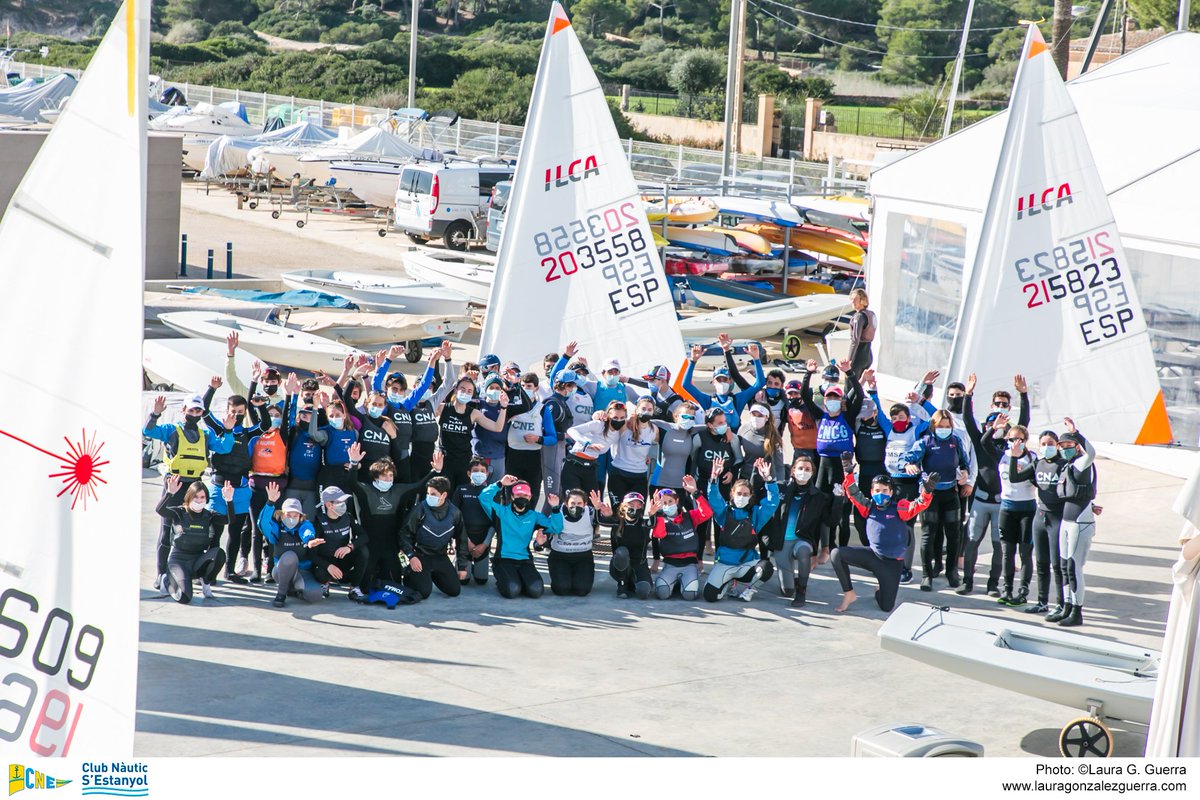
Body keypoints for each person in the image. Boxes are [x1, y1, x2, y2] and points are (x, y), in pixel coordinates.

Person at [143, 394, 234, 594]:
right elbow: (148, 431)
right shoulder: (171, 430)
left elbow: (225, 447)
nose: (194, 414)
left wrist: (228, 430)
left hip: (194, 486)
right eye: (191, 410)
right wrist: (155, 414)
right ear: (183, 410)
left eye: (198, 410)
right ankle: (161, 574)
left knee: (195, 529)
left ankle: (195, 570)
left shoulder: (205, 434)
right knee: (167, 528)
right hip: (175, 484)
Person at [835, 455, 935, 613]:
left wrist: (927, 491)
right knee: (836, 554)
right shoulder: (868, 506)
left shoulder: (899, 507)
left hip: (892, 564)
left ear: (891, 492)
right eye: (877, 490)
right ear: (871, 492)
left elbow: (918, 504)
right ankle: (849, 593)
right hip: (873, 556)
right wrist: (848, 472)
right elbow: (853, 493)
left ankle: (879, 589)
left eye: (884, 490)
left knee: (886, 607)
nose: (880, 493)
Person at [959, 372, 1030, 597]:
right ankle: (967, 581)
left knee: (999, 545)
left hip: (1002, 503)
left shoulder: (1009, 447)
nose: (996, 424)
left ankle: (993, 585)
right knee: (972, 541)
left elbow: (1023, 424)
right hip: (980, 499)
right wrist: (968, 394)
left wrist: (1023, 395)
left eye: (1000, 421)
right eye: (992, 421)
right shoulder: (982, 441)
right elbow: (968, 419)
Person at [348, 444, 443, 592]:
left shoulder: (397, 490)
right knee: (365, 587)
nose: (388, 479)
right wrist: (354, 464)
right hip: (370, 546)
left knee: (395, 585)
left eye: (391, 475)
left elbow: (419, 486)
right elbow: (351, 483)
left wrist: (435, 471)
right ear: (375, 476)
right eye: (384, 475)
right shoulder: (366, 490)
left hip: (390, 547)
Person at [867, 373, 929, 585]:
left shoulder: (916, 429)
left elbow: (931, 419)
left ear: (908, 418)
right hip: (892, 483)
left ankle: (906, 569)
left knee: (907, 528)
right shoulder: (889, 428)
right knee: (890, 524)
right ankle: (887, 562)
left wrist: (920, 394)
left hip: (909, 484)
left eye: (901, 417)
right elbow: (879, 412)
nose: (897, 421)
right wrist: (873, 390)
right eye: (894, 418)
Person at [903, 409, 970, 591]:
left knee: (954, 535)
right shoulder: (925, 442)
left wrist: (965, 473)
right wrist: (908, 464)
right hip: (929, 495)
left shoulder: (955, 441)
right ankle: (927, 575)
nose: (944, 429)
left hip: (950, 492)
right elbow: (907, 458)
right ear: (933, 426)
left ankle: (951, 571)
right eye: (941, 426)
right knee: (928, 534)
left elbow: (964, 462)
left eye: (947, 426)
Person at [801, 358, 862, 555]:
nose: (833, 400)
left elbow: (859, 395)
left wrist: (849, 373)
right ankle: (821, 547)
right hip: (823, 466)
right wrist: (808, 373)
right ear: (825, 400)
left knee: (840, 508)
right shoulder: (821, 415)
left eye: (836, 397)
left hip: (842, 467)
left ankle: (839, 549)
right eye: (829, 397)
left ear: (841, 400)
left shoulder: (848, 417)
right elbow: (805, 396)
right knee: (819, 505)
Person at [703, 456, 779, 602]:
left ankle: (749, 590)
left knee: (766, 567)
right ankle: (728, 583)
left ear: (750, 496)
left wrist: (769, 480)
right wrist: (713, 478)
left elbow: (772, 503)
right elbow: (714, 498)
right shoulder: (724, 513)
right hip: (724, 564)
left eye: (745, 494)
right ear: (732, 494)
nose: (742, 497)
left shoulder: (755, 515)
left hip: (746, 565)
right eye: (739, 494)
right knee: (710, 596)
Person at [200, 380, 254, 583]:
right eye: (233, 411)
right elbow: (204, 411)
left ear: (245, 413)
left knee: (236, 531)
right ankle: (209, 571)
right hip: (218, 487)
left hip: (240, 490)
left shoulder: (248, 432)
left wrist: (256, 398)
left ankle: (230, 571)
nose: (236, 415)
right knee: (214, 532)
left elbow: (265, 425)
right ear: (227, 411)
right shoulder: (218, 427)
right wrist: (211, 389)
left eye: (241, 412)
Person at [479, 477, 562, 599]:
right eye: (518, 494)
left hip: (524, 560)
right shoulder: (501, 512)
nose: (522, 497)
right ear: (512, 496)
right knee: (512, 590)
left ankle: (518, 580)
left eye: (525, 495)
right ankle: (508, 580)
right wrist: (500, 484)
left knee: (536, 590)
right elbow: (483, 498)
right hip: (503, 559)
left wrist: (555, 509)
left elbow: (556, 528)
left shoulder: (534, 516)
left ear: (530, 497)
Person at [1053, 418, 1099, 627]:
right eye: (1062, 446)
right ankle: (1066, 606)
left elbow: (1092, 453)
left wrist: (1076, 432)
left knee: (1074, 567)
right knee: (1064, 566)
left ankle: (1076, 611)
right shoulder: (1067, 466)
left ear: (1077, 446)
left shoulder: (1083, 462)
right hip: (1066, 521)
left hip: (1080, 523)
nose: (1065, 449)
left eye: (1069, 445)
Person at [155, 476, 228, 604]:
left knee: (219, 553)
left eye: (202, 497)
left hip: (197, 562)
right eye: (195, 497)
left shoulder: (209, 515)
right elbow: (160, 510)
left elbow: (229, 519)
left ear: (206, 499)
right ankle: (166, 579)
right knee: (185, 597)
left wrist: (229, 500)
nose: (199, 500)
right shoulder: (179, 512)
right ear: (189, 497)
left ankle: (205, 581)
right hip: (179, 561)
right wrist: (170, 493)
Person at [256, 484, 326, 608]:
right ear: (282, 515)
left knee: (315, 595)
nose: (292, 518)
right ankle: (281, 593)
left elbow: (307, 531)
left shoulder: (305, 524)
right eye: (288, 515)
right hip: (280, 571)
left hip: (302, 571)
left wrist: (310, 540)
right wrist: (270, 502)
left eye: (295, 515)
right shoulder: (277, 528)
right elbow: (262, 524)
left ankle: (293, 590)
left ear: (300, 516)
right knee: (290, 556)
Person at [771, 455, 828, 605]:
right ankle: (794, 582)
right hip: (782, 541)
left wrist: (839, 500)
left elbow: (829, 522)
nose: (803, 472)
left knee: (803, 552)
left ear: (812, 473)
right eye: (800, 468)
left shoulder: (818, 496)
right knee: (787, 591)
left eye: (807, 469)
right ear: (793, 471)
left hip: (802, 540)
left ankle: (802, 591)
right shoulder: (781, 488)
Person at [439, 376, 509, 490]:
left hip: (464, 462)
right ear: (455, 390)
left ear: (472, 395)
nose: (465, 393)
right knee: (444, 494)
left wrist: (503, 407)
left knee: (461, 494)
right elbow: (425, 406)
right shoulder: (442, 408)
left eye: (469, 391)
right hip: (444, 461)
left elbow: (497, 427)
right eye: (462, 389)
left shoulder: (474, 413)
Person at [400, 476, 465, 599]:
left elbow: (462, 540)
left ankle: (431, 575)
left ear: (444, 495)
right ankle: (410, 574)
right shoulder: (419, 509)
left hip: (440, 555)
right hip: (421, 556)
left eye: (433, 494)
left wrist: (462, 566)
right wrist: (411, 556)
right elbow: (404, 534)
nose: (429, 496)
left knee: (454, 590)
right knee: (424, 592)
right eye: (428, 493)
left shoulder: (455, 513)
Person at [682, 342, 764, 433]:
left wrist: (756, 359)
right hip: (712, 440)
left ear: (730, 381)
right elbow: (686, 385)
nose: (722, 382)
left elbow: (760, 383)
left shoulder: (738, 399)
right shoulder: (707, 400)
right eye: (718, 380)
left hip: (733, 440)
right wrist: (693, 361)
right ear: (713, 382)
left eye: (725, 379)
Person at [997, 424, 1038, 607]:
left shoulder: (1032, 458)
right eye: (1012, 439)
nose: (1015, 442)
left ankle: (1023, 591)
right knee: (1007, 552)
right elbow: (982, 442)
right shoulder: (1003, 456)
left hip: (1027, 509)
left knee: (1025, 552)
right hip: (1007, 508)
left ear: (1025, 440)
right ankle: (1006, 589)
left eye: (1019, 439)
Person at [650, 483, 712, 600]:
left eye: (670, 501)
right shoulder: (660, 519)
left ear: (677, 501)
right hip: (670, 565)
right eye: (664, 503)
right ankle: (675, 582)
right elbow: (659, 534)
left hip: (689, 565)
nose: (667, 505)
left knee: (690, 595)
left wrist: (695, 493)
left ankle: (684, 581)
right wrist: (658, 513)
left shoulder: (689, 516)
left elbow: (707, 513)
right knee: (662, 594)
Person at [506, 371, 558, 506]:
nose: (525, 389)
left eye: (529, 386)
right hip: (513, 455)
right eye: (523, 386)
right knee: (509, 494)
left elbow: (552, 438)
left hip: (532, 457)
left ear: (536, 388)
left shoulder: (542, 409)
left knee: (531, 494)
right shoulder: (513, 406)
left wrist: (538, 439)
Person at [309, 486, 369, 599]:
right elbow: (311, 554)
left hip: (342, 560)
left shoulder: (348, 517)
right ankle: (325, 584)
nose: (343, 504)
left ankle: (354, 588)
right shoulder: (319, 521)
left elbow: (364, 536)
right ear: (328, 505)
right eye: (339, 502)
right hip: (325, 563)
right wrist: (328, 566)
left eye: (344, 501)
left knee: (363, 551)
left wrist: (350, 547)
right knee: (320, 573)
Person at [603, 488, 660, 599]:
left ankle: (632, 582)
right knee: (622, 552)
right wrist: (601, 511)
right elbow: (600, 521)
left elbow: (652, 524)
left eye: (638, 505)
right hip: (619, 565)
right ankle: (622, 584)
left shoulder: (643, 523)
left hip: (639, 565)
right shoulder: (617, 522)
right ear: (624, 505)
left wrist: (653, 514)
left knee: (643, 592)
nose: (634, 507)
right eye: (631, 504)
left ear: (642, 507)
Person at [539, 489, 598, 597]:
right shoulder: (558, 511)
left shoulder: (590, 512)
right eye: (572, 503)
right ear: (566, 503)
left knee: (582, 590)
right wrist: (540, 542)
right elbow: (546, 529)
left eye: (579, 503)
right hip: (560, 556)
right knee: (561, 589)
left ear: (585, 504)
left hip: (583, 557)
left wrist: (599, 509)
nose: (576, 506)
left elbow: (606, 521)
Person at [562, 400, 626, 495]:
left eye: (622, 418)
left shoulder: (618, 433)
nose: (619, 420)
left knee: (592, 500)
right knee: (573, 498)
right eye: (615, 417)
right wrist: (587, 444)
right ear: (608, 416)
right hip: (574, 463)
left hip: (591, 467)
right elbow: (571, 430)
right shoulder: (599, 425)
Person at [453, 457, 497, 585]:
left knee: (481, 580)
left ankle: (476, 565)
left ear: (487, 474)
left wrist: (484, 545)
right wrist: (466, 541)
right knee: (463, 581)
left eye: (483, 471)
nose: (479, 473)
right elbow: (455, 518)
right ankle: (460, 561)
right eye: (475, 470)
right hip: (464, 540)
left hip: (483, 542)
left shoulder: (493, 492)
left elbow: (495, 522)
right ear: (468, 473)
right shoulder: (461, 490)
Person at [607, 396, 658, 504]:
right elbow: (610, 419)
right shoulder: (625, 424)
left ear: (653, 411)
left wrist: (648, 455)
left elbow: (654, 446)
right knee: (618, 511)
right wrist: (598, 414)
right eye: (643, 408)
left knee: (637, 512)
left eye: (649, 409)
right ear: (636, 409)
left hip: (640, 476)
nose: (646, 412)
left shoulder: (654, 429)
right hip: (619, 473)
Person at [649, 402, 701, 504]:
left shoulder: (693, 431)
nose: (688, 420)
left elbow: (711, 426)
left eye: (692, 418)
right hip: (659, 482)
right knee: (656, 513)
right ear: (676, 416)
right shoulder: (665, 427)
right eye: (685, 416)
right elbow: (643, 421)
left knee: (677, 514)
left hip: (680, 485)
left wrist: (728, 430)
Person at [846, 287, 877, 379]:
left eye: (855, 299)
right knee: (859, 384)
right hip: (868, 354)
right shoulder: (871, 314)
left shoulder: (858, 316)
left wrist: (849, 360)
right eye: (852, 299)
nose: (852, 302)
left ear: (862, 301)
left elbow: (855, 340)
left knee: (850, 382)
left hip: (859, 354)